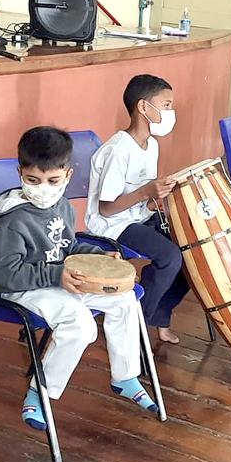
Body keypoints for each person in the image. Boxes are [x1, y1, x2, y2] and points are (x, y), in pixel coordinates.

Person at [0, 127, 156, 430]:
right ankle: (41, 392)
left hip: (59, 280)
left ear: (67, 175)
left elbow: (67, 246)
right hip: (19, 290)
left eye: (52, 180)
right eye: (33, 180)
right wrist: (56, 275)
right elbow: (6, 272)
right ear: (20, 173)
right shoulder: (13, 222)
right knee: (81, 324)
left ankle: (126, 376)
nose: (43, 188)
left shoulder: (61, 207)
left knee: (124, 298)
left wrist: (97, 257)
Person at [85, 74, 190, 344]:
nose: (170, 112)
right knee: (170, 257)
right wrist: (146, 192)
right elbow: (107, 209)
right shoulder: (119, 149)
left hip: (138, 217)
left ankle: (158, 317)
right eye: (166, 105)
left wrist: (155, 197)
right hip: (113, 225)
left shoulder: (151, 145)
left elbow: (143, 195)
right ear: (144, 107)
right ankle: (135, 330)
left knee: (191, 253)